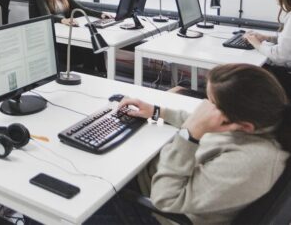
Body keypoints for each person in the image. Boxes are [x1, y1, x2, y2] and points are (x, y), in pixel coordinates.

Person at [106, 64, 291, 224]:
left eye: (212, 103)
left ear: (244, 126)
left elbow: (165, 200)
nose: (204, 106)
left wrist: (189, 134)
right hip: (154, 174)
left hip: (156, 208)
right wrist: (157, 111)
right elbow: (208, 123)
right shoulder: (265, 122)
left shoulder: (250, 162)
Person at [244, 0, 291, 96]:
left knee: (245, 72)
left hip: (287, 76)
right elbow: (288, 43)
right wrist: (267, 38)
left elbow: (280, 56)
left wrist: (257, 44)